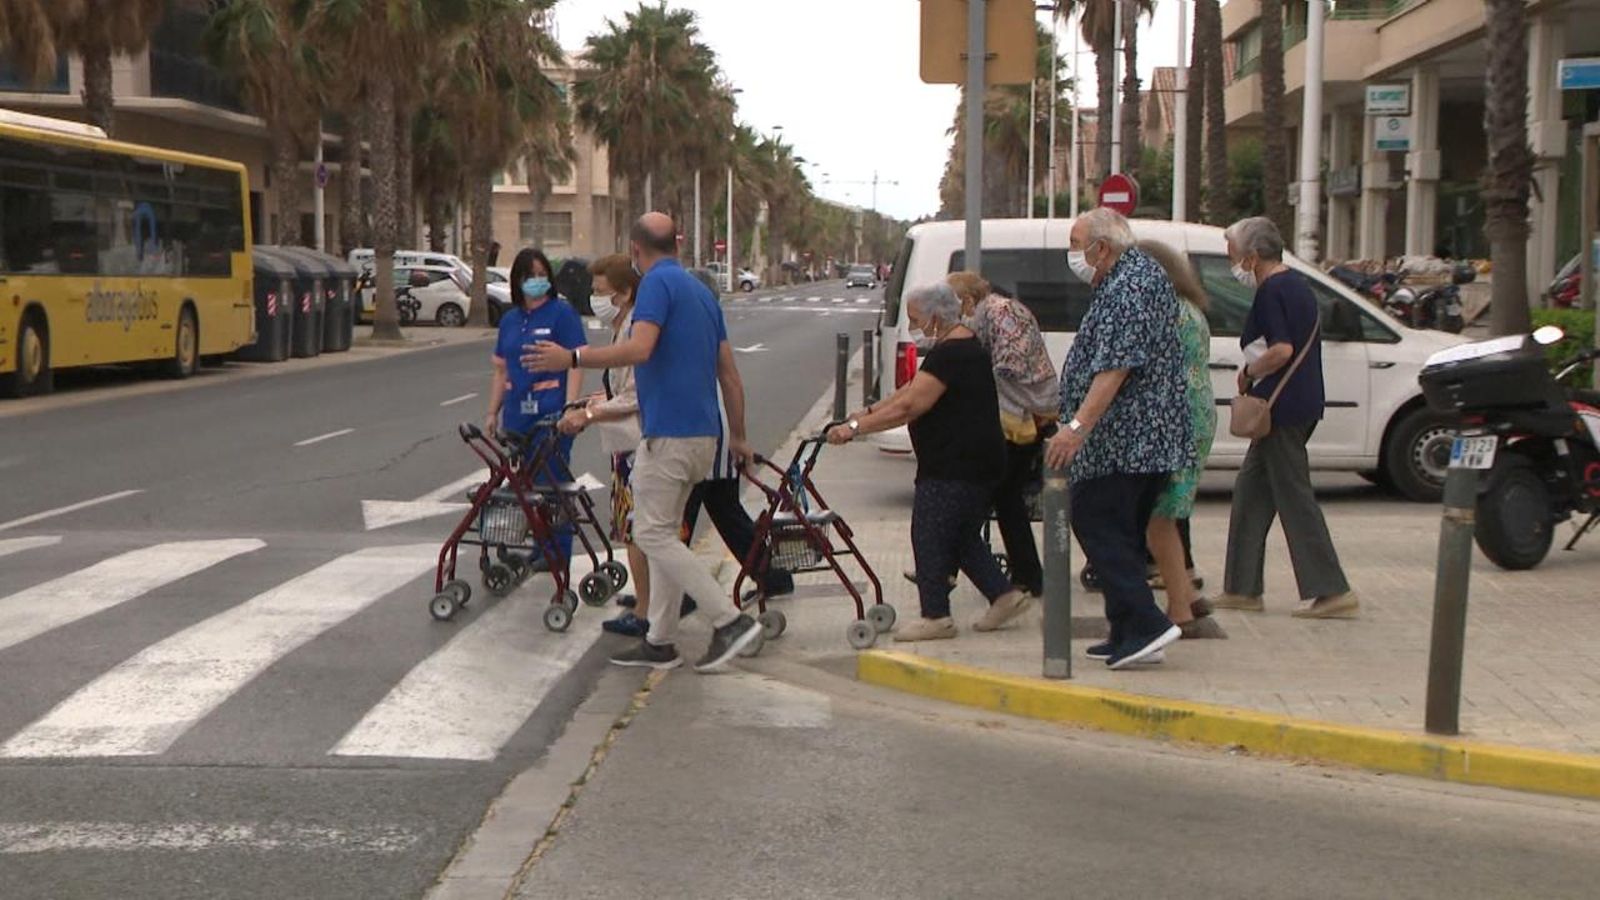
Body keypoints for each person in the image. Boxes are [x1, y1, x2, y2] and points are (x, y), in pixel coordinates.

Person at [525, 212, 761, 672]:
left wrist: (572, 356)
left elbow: (640, 349)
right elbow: (729, 375)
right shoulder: (701, 291)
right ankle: (660, 639)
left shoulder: (656, 285)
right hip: (704, 438)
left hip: (668, 434)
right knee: (665, 533)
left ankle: (728, 620)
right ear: (676, 241)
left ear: (635, 249)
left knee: (648, 532)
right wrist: (740, 436)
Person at [829, 282, 1029, 641]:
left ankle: (935, 615)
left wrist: (855, 429)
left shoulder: (953, 354)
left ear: (937, 317)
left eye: (916, 319)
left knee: (930, 534)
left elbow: (911, 406)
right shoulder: (958, 347)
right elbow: (909, 392)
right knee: (959, 535)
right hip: (973, 462)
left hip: (957, 466)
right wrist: (866, 413)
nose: (913, 327)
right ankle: (1004, 595)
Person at [1043, 208, 1193, 669]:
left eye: (1075, 243)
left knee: (1095, 519)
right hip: (1137, 437)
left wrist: (1075, 429)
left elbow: (1115, 368)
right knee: (1122, 531)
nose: (1072, 254)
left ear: (1101, 248)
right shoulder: (1132, 278)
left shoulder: (1130, 287)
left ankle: (1146, 623)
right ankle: (1127, 629)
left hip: (1130, 439)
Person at [1215, 217, 1358, 619]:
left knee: (1294, 498)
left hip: (1279, 408)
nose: (1234, 266)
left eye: (1235, 257)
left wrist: (1248, 374)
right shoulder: (1297, 285)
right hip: (1298, 403)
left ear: (1253, 256)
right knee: (1250, 494)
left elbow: (1281, 350)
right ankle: (1242, 588)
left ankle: (1332, 590)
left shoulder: (1272, 289)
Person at [945, 271, 1059, 600]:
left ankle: (947, 569)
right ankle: (1026, 576)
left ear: (967, 299)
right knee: (1005, 498)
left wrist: (972, 375)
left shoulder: (1001, 312)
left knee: (991, 493)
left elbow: (1011, 364)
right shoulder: (989, 315)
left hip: (1024, 416)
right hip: (1019, 415)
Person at [1136, 240, 1224, 640]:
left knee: (1158, 517)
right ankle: (1184, 593)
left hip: (1175, 422)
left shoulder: (1163, 311)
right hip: (1196, 415)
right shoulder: (1190, 307)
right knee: (1166, 515)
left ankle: (1179, 607)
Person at [558, 254, 650, 637]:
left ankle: (645, 611)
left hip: (634, 444)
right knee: (633, 531)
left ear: (625, 293)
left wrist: (590, 416)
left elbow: (636, 396)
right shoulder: (621, 326)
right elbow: (621, 388)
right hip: (624, 444)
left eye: (600, 291)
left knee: (637, 532)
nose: (593, 298)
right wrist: (594, 401)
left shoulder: (631, 331)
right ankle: (647, 599)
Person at [487, 247, 585, 571]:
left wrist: (570, 407)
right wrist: (492, 413)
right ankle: (540, 547)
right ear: (518, 280)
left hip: (551, 415)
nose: (537, 282)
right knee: (526, 486)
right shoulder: (511, 319)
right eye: (531, 276)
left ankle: (558, 553)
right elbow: (501, 370)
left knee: (553, 484)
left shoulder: (562, 314)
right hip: (517, 416)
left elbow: (576, 362)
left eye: (543, 275)